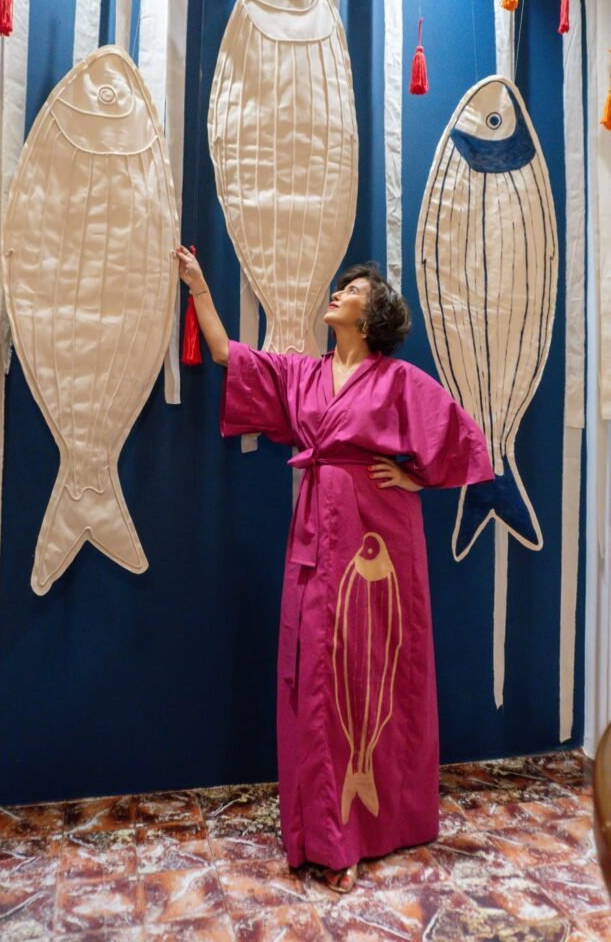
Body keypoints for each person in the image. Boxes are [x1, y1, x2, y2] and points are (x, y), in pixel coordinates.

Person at [176, 246, 493, 892]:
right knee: (317, 672)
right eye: (341, 287)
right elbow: (228, 355)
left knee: (373, 668)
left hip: (381, 536)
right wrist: (199, 286)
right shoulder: (304, 374)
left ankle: (379, 824)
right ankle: (328, 836)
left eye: (352, 291)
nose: (339, 293)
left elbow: (464, 440)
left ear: (371, 315)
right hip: (319, 528)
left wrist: (414, 478)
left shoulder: (399, 381)